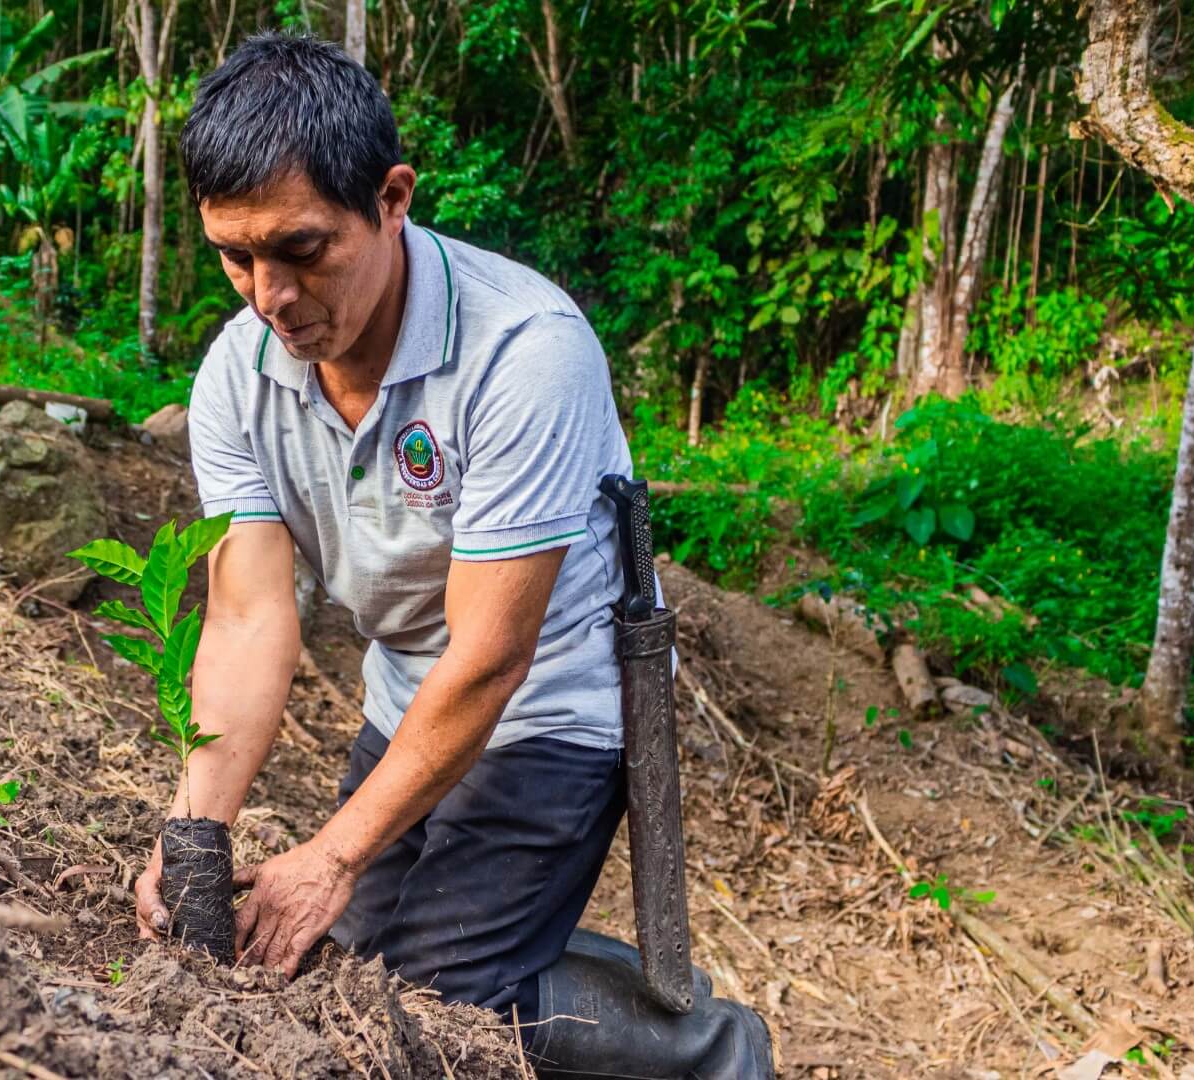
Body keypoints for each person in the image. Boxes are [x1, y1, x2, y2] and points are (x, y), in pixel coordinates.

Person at [135, 30, 774, 1078]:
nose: (270, 296)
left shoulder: (524, 351)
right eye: (236, 256)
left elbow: (490, 653)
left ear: (391, 199)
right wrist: (193, 830)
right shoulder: (236, 378)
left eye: (302, 250)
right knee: (338, 963)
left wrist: (335, 850)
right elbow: (250, 618)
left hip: (554, 709)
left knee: (417, 1012)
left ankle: (703, 1049)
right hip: (408, 700)